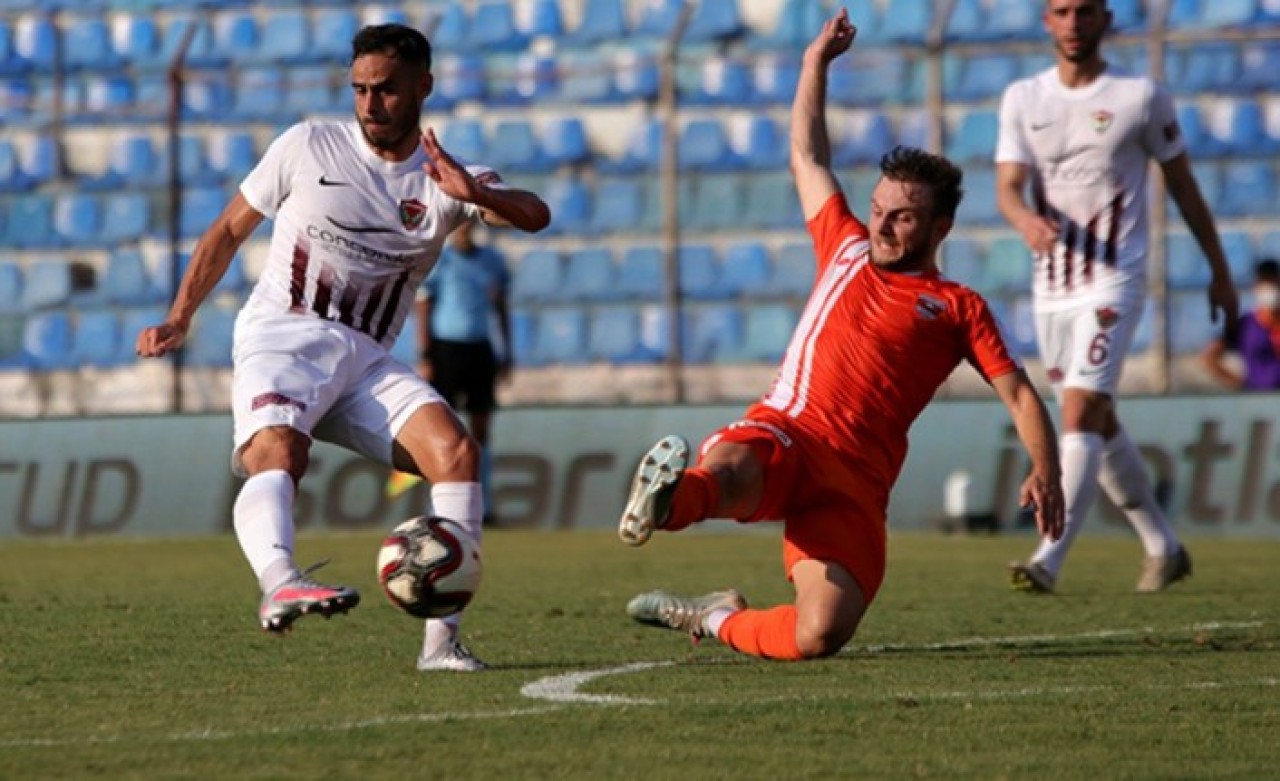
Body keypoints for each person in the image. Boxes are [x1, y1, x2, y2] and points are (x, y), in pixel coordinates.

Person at [616, 9, 1066, 662]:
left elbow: (1021, 395)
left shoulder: (958, 307)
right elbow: (807, 152)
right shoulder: (845, 244)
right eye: (879, 210)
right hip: (789, 431)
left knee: (818, 633)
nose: (881, 226)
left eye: (902, 218)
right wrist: (814, 63)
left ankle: (716, 617)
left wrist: (1045, 467)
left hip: (856, 481)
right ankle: (667, 502)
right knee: (733, 469)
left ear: (940, 228)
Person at [135, 24, 549, 671]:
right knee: (279, 448)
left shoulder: (444, 177)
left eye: (384, 90)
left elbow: (535, 213)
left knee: (457, 452)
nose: (369, 104)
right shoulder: (307, 145)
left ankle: (441, 645)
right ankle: (280, 581)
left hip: (364, 358)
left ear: (423, 89)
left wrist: (479, 195)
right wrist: (179, 314)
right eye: (358, 89)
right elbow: (225, 230)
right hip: (284, 332)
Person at [995, 0, 1238, 594]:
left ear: (1106, 19)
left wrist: (1218, 269)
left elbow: (1182, 186)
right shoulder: (1024, 98)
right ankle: (1164, 546)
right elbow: (1007, 186)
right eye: (1061, 12)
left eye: (1084, 12)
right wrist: (1024, 219)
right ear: (1046, 22)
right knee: (1096, 422)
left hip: (1116, 279)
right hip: (1052, 289)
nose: (1073, 23)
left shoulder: (1141, 97)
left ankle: (1049, 558)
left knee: (1078, 412)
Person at [413, 219, 512, 524]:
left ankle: (484, 505)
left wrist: (507, 350)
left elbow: (500, 305)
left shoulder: (492, 261)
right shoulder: (441, 260)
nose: (463, 229)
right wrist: (426, 354)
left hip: (480, 347)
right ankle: (439, 506)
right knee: (444, 428)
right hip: (447, 349)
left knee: (481, 427)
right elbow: (424, 306)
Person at [1201, 259, 1280, 391]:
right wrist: (1239, 382)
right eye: (1265, 283)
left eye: (1274, 283)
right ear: (1256, 287)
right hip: (1259, 401)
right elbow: (1210, 356)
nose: (1271, 289)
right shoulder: (1246, 325)